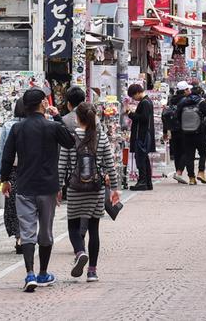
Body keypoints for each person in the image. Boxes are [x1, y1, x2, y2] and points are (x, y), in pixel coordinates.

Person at [0, 88, 75, 292]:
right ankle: (43, 274)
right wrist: (57, 116)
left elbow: (7, 156)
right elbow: (70, 142)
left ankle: (29, 274)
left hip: (24, 186)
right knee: (46, 231)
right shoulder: (52, 127)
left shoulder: (17, 129)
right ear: (43, 103)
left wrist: (4, 179)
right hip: (48, 187)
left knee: (27, 231)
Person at [58, 103, 120, 283]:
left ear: (77, 118)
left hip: (75, 189)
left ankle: (80, 252)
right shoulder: (100, 138)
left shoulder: (70, 139)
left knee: (73, 226)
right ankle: (92, 271)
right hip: (97, 190)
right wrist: (114, 189)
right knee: (94, 229)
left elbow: (62, 165)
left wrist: (58, 188)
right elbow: (110, 164)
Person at [0, 99, 26, 254]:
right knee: (29, 205)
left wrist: (0, 175)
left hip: (12, 171)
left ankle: (19, 238)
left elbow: (1, 152)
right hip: (30, 171)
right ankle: (26, 236)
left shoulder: (8, 126)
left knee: (13, 205)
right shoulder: (34, 125)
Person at [176, 82, 206, 185]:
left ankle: (191, 178)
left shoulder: (183, 102)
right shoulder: (201, 102)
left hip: (186, 133)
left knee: (189, 155)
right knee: (203, 153)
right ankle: (201, 172)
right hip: (200, 133)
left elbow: (177, 116)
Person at [127, 84, 155, 191]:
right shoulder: (147, 102)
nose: (134, 99)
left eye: (133, 96)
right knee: (144, 158)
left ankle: (143, 182)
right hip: (144, 135)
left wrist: (130, 114)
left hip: (142, 135)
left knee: (140, 159)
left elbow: (143, 118)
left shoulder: (144, 103)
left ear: (138, 92)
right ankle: (147, 182)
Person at [169, 82, 190, 184]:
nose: (189, 92)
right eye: (188, 90)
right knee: (186, 151)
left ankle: (178, 171)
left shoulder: (172, 100)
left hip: (173, 128)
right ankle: (179, 172)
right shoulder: (186, 100)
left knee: (177, 152)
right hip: (184, 128)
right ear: (185, 90)